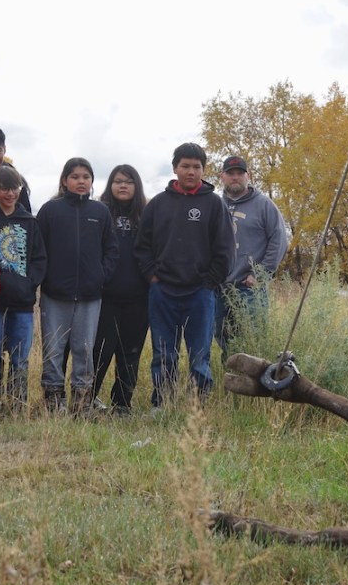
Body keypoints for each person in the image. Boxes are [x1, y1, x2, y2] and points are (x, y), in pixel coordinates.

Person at [134, 143, 233, 408]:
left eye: (196, 167)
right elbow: (142, 247)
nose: (191, 172)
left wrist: (210, 282)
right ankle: (162, 404)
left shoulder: (214, 204)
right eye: (185, 166)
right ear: (175, 168)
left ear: (204, 169)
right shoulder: (158, 204)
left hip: (200, 293)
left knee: (199, 355)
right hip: (163, 291)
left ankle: (198, 408)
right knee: (164, 353)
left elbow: (225, 250)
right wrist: (152, 276)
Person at [36, 157, 117, 416]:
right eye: (75, 177)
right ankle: (53, 399)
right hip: (55, 293)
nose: (81, 181)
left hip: (90, 295)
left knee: (84, 348)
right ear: (64, 180)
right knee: (54, 347)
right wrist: (46, 278)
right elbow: (39, 250)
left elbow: (112, 250)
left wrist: (100, 276)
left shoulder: (100, 212)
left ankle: (82, 402)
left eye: (86, 177)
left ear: (92, 181)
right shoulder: (50, 211)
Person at [0, 164, 46, 414]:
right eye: (4, 188)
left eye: (14, 188)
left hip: (22, 303)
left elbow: (40, 259)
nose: (10, 193)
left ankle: (17, 404)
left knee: (20, 358)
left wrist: (29, 284)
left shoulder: (29, 222)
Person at [215, 155, 289, 357]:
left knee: (253, 342)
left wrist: (262, 273)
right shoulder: (215, 205)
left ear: (248, 176)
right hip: (219, 288)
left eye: (240, 173)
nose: (235, 177)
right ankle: (232, 384)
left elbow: (279, 239)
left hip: (249, 288)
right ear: (222, 176)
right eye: (231, 174)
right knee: (223, 338)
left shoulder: (264, 205)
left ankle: (254, 384)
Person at [92, 164, 150, 415]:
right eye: (117, 181)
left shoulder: (147, 214)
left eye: (128, 181)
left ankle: (122, 403)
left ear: (136, 186)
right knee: (100, 351)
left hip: (139, 297)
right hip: (105, 296)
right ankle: (87, 398)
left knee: (130, 353)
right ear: (110, 185)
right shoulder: (99, 211)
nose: (123, 185)